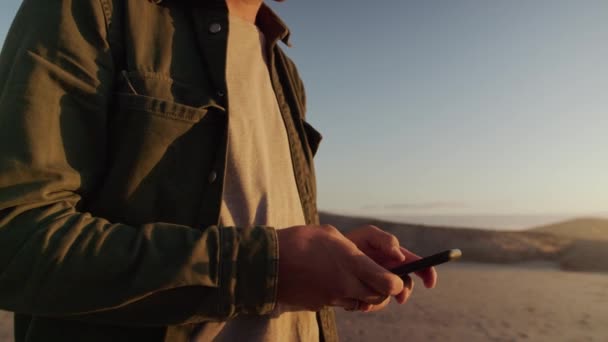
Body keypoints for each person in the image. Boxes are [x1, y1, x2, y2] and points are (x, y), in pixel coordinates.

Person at [0, 0, 437, 341]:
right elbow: (14, 239)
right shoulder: (97, 11)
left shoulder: (284, 70)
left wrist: (338, 258)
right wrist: (267, 269)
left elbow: (249, 221)